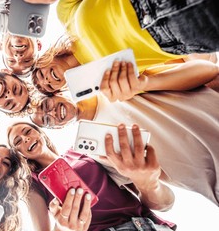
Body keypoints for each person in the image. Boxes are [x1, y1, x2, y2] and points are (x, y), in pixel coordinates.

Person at [7, 121, 204, 231]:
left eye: (27, 131)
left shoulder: (81, 150)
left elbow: (161, 202)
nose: (25, 139)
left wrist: (148, 182)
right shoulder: (33, 184)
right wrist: (63, 230)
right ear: (20, 154)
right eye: (17, 142)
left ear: (40, 132)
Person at [28, 87, 219, 207]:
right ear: (56, 128)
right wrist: (147, 183)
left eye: (46, 105)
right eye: (47, 120)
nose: (52, 113)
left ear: (58, 92)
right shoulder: (96, 153)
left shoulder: (110, 84)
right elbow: (164, 204)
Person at [31, 35, 218, 101]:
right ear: (59, 89)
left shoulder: (76, 34)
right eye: (47, 86)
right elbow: (208, 70)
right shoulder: (107, 83)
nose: (46, 80)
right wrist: (143, 83)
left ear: (44, 60)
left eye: (41, 74)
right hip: (187, 51)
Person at [56, 0, 218, 68]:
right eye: (46, 91)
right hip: (176, 37)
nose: (44, 82)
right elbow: (170, 70)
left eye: (37, 76)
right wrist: (140, 85)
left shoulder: (64, 15)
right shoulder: (102, 87)